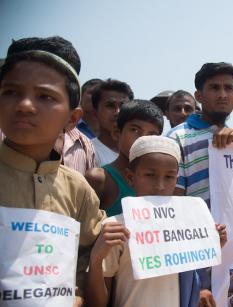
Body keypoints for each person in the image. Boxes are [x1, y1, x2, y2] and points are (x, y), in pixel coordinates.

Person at [0, 35, 105, 305]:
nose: (24, 105)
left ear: (72, 119)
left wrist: (78, 293)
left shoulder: (78, 189)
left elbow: (89, 255)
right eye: (11, 92)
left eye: (45, 96)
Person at [86, 135, 228, 307]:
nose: (160, 186)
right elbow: (97, 303)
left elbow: (191, 278)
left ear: (177, 179)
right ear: (130, 178)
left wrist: (211, 245)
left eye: (169, 177)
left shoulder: (187, 224)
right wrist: (96, 260)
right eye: (150, 175)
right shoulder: (115, 228)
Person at [167, 62, 233, 305]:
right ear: (199, 95)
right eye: (214, 87)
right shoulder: (178, 137)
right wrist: (197, 281)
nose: (222, 94)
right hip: (197, 268)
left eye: (228, 88)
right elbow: (173, 211)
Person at [85, 100, 163, 216]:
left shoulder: (161, 182)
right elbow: (83, 230)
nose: (142, 139)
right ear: (117, 133)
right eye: (135, 130)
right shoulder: (100, 179)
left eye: (152, 135)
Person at [91, 78, 134, 166]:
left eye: (123, 106)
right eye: (110, 106)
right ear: (95, 113)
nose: (117, 112)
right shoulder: (88, 151)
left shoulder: (138, 155)